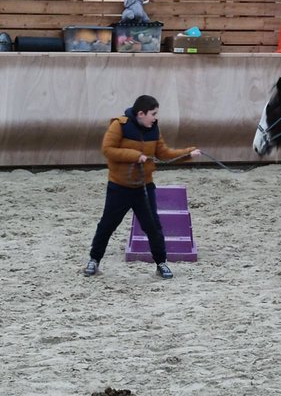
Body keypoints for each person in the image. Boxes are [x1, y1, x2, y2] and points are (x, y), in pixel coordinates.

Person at [84, 95, 200, 279]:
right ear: (141, 113)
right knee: (107, 225)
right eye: (152, 114)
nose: (155, 118)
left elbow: (164, 154)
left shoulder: (154, 129)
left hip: (144, 187)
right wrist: (135, 155)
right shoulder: (119, 125)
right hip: (119, 187)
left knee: (153, 226)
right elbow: (108, 149)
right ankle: (94, 260)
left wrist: (188, 153)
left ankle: (161, 263)